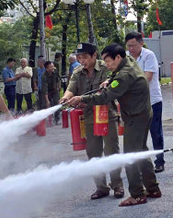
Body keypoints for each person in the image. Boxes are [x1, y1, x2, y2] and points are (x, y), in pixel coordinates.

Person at [68, 44, 162, 206]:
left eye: (109, 61)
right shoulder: (128, 61)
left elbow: (104, 97)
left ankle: (138, 194)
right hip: (142, 113)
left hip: (135, 117)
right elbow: (114, 79)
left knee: (130, 156)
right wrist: (109, 80)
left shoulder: (124, 75)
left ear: (118, 57)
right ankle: (153, 188)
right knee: (140, 152)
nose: (107, 65)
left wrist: (82, 99)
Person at [60, 43, 124, 200]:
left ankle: (117, 185)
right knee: (93, 152)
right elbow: (71, 87)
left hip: (107, 115)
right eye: (79, 58)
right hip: (89, 117)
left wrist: (82, 99)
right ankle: (101, 187)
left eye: (85, 57)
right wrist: (66, 97)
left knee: (111, 151)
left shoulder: (105, 67)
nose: (82, 61)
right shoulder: (77, 72)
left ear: (94, 55)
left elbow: (104, 91)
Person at [124, 31, 165, 172]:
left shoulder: (149, 55)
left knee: (156, 132)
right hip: (134, 103)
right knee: (138, 134)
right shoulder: (125, 57)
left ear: (141, 43)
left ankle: (159, 161)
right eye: (128, 46)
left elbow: (147, 77)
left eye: (133, 45)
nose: (131, 49)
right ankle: (139, 163)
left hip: (152, 100)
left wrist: (128, 85)